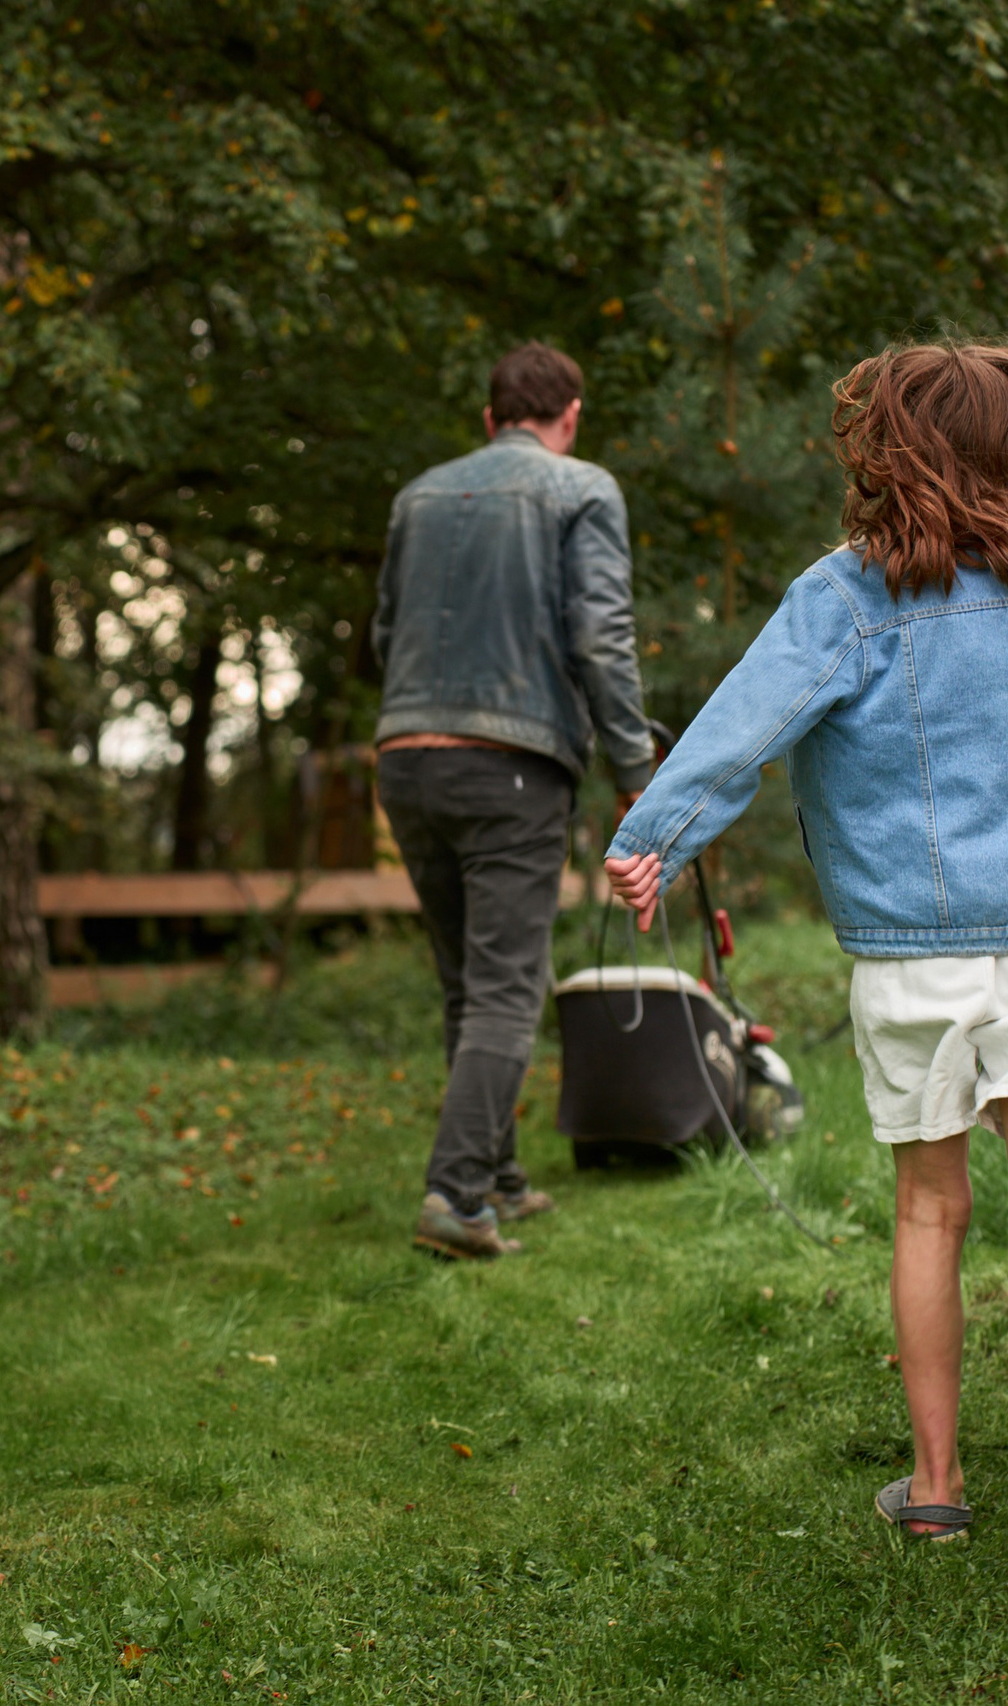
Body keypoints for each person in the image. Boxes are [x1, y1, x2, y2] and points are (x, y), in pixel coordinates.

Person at [603, 308, 1008, 1541]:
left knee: (930, 1208)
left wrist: (650, 838)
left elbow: (743, 724)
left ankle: (934, 1488)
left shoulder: (847, 592)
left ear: (894, 453)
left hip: (912, 951)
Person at [375, 342, 659, 1261]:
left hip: (406, 757)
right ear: (569, 415)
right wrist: (634, 769)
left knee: (470, 981)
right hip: (513, 766)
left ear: (489, 415)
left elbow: (385, 631)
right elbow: (601, 637)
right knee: (504, 988)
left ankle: (495, 1175)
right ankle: (456, 1196)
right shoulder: (581, 488)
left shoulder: (417, 497)